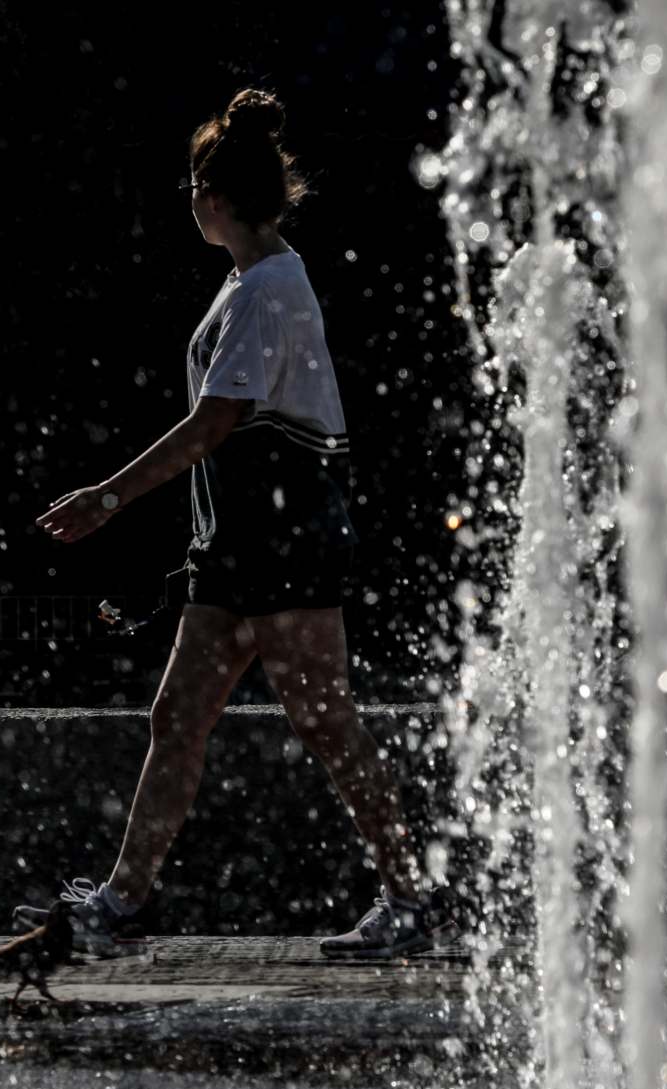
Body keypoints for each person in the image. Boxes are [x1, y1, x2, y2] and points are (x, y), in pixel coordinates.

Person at [27, 88, 446, 960]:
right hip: (241, 541)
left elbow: (217, 421)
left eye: (191, 187)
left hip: (283, 537)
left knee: (326, 721)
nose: (187, 201)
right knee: (178, 716)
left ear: (213, 198)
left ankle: (410, 897)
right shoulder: (248, 283)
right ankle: (125, 900)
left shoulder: (271, 287)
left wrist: (106, 499)